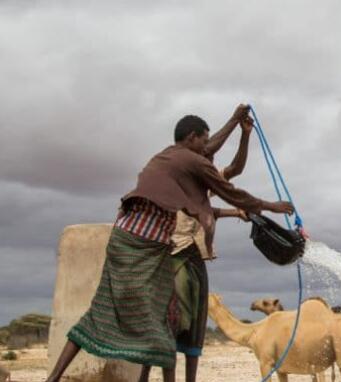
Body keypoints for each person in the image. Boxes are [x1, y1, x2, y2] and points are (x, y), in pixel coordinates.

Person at [45, 105, 293, 382]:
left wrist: (238, 126)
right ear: (191, 138)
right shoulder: (193, 162)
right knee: (157, 325)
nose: (207, 146)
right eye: (203, 139)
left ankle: (53, 378)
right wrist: (272, 206)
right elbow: (231, 192)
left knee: (125, 316)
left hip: (131, 241)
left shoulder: (172, 159)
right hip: (147, 246)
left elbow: (218, 163)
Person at [138, 112, 256, 382]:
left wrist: (245, 135)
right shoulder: (175, 176)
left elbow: (234, 170)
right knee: (167, 321)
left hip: (195, 256)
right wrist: (234, 119)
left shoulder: (203, 179)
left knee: (195, 325)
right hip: (171, 253)